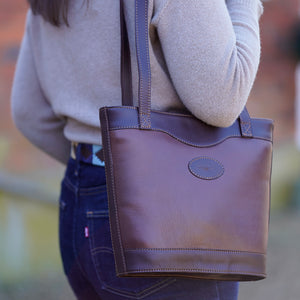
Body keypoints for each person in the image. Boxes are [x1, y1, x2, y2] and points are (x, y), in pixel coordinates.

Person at [11, 0, 264, 299]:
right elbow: (222, 101)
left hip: (79, 211)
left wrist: (111, 164)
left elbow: (28, 111)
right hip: (163, 219)